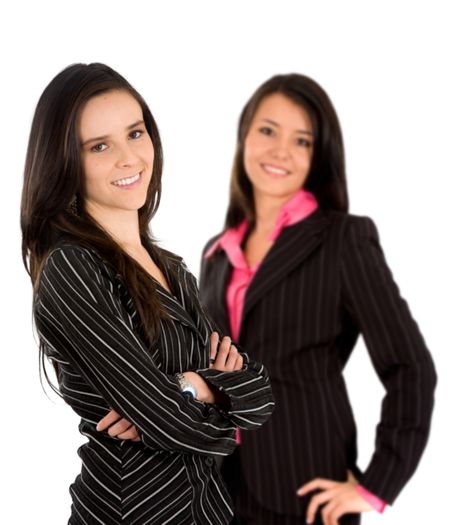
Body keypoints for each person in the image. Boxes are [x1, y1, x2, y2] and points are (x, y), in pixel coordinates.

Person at [21, 63, 274, 525]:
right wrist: (210, 398)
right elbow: (168, 420)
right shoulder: (72, 269)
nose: (128, 158)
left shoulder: (174, 270)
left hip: (206, 509)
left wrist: (191, 388)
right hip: (133, 510)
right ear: (65, 162)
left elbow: (259, 392)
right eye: (99, 146)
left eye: (135, 134)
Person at [199, 74, 437, 525]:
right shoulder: (217, 251)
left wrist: (377, 486)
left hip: (307, 494)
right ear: (244, 134)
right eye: (268, 130)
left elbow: (410, 367)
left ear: (318, 155)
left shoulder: (344, 240)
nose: (280, 151)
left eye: (302, 141)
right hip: (220, 488)